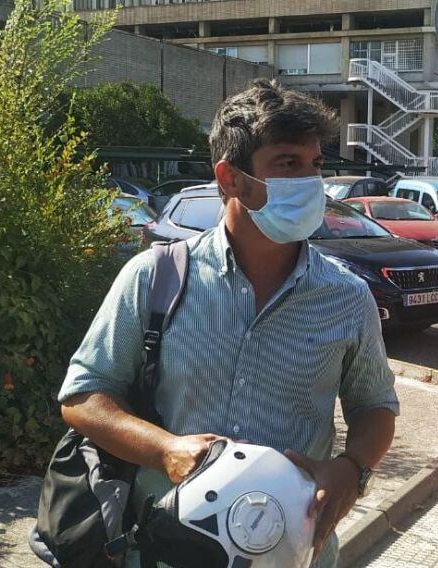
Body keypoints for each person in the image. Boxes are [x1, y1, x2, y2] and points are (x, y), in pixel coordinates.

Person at [58, 79, 399, 568]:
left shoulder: (347, 296)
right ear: (230, 178)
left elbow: (375, 406)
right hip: (166, 550)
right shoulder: (155, 277)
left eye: (316, 164)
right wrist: (165, 450)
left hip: (293, 554)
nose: (311, 181)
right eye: (288, 163)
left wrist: (352, 467)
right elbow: (83, 396)